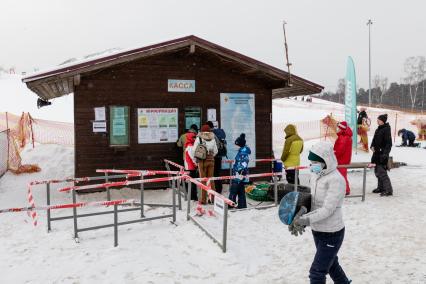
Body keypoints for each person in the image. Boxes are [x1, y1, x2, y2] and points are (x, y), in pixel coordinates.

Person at [290, 141, 351, 284]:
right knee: (332, 266)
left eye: (315, 162)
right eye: (311, 162)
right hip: (318, 230)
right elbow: (314, 202)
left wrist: (305, 220)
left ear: (326, 161)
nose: (312, 165)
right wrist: (301, 214)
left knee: (317, 273)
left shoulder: (336, 180)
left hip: (332, 233)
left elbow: (327, 210)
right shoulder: (316, 176)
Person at [193, 124, 218, 204]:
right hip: (211, 160)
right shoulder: (213, 139)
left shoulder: (199, 138)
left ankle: (203, 200)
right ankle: (212, 199)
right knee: (211, 180)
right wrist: (210, 156)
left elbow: (194, 150)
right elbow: (216, 151)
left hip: (202, 161)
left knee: (203, 180)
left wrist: (196, 159)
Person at [371, 114, 393, 196]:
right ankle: (381, 187)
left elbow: (389, 144)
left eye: (379, 120)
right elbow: (374, 139)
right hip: (376, 153)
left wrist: (385, 154)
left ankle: (388, 190)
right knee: (377, 172)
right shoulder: (378, 129)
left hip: (382, 154)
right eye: (377, 120)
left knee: (382, 172)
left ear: (383, 121)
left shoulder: (386, 129)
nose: (377, 121)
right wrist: (372, 146)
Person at [229, 133, 251, 209]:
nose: (236, 146)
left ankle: (230, 204)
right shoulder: (242, 151)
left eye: (236, 144)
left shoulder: (243, 152)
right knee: (241, 190)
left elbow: (244, 162)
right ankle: (242, 205)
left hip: (239, 174)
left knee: (233, 189)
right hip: (239, 173)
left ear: (240, 144)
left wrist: (240, 171)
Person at [206, 121, 227, 194]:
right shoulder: (220, 132)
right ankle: (219, 189)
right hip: (220, 155)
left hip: (214, 156)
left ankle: (216, 190)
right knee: (217, 173)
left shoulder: (211, 134)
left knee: (213, 173)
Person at [333, 121, 353, 195]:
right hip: (344, 159)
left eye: (338, 128)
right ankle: (344, 189)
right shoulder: (345, 136)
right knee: (342, 175)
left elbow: (340, 150)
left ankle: (346, 190)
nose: (337, 129)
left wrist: (333, 154)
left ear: (341, 129)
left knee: (342, 176)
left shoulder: (343, 137)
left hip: (341, 160)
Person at [183, 132, 198, 201]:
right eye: (193, 137)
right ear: (190, 138)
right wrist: (196, 164)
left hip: (188, 166)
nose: (195, 139)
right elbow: (193, 157)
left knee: (190, 182)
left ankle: (191, 195)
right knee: (193, 182)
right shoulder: (190, 146)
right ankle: (193, 196)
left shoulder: (188, 145)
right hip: (191, 167)